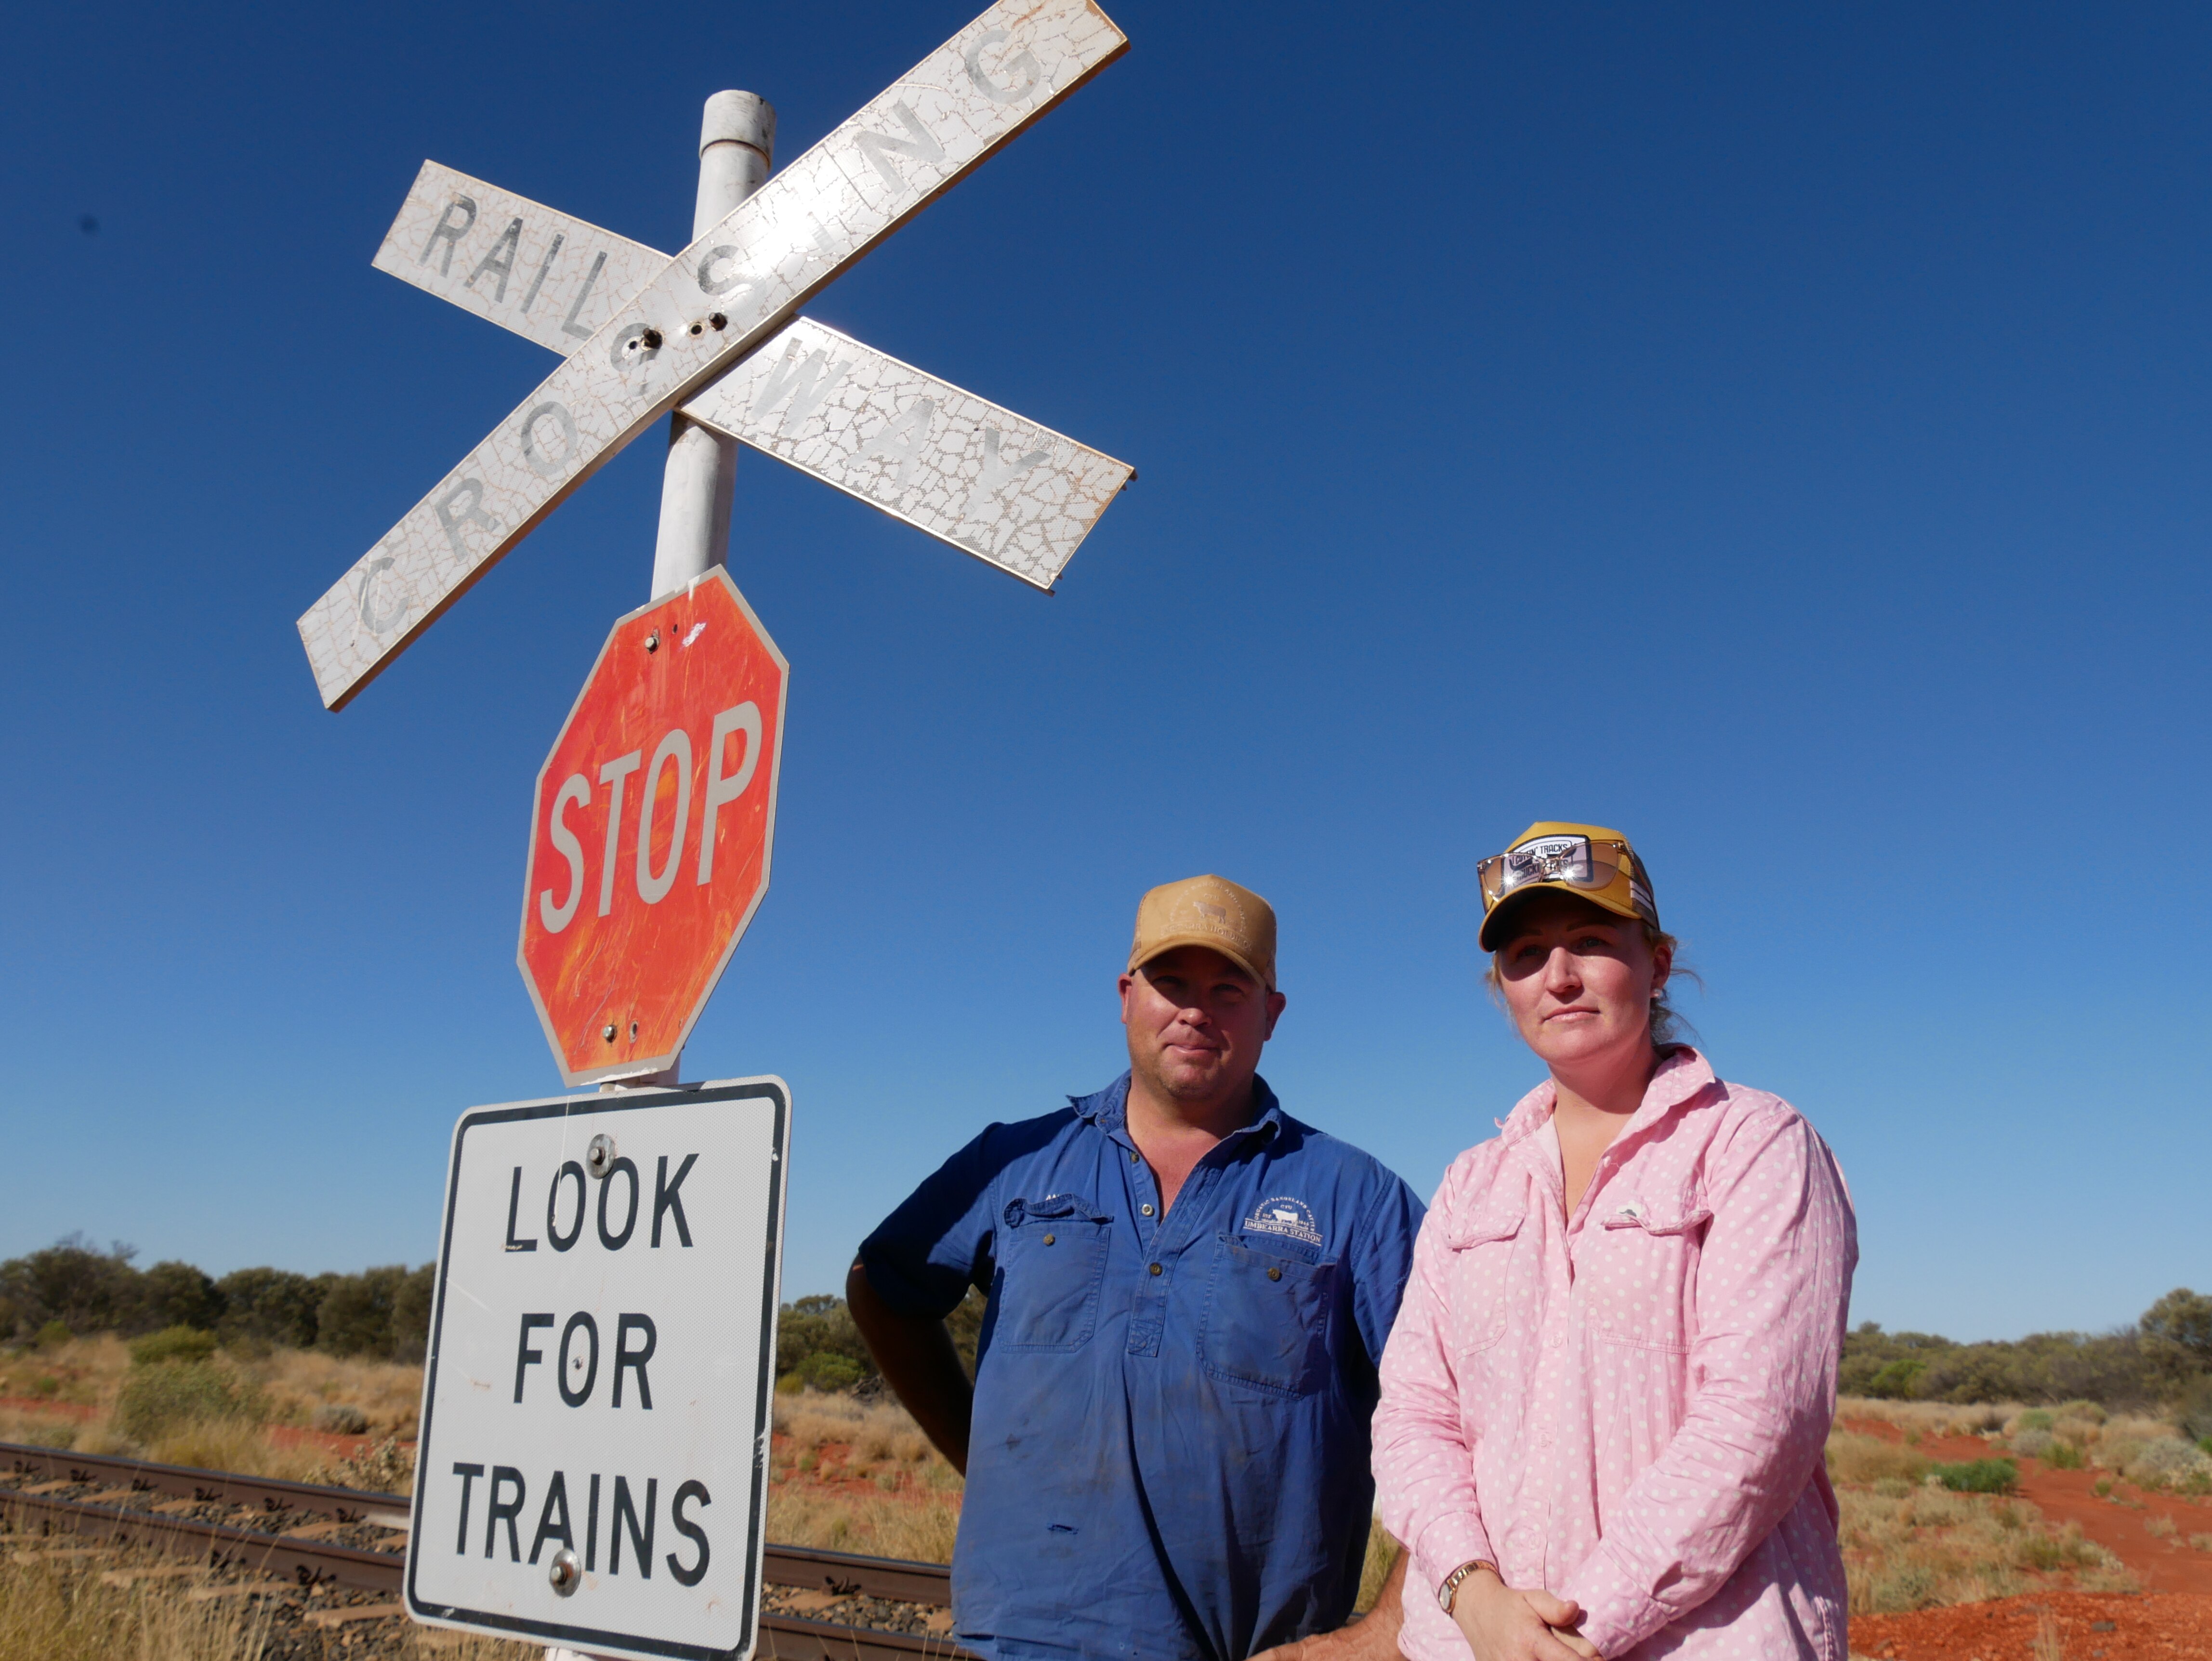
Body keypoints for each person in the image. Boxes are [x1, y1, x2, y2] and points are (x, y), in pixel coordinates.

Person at [849, 874, 1424, 1661]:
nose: (1195, 1010)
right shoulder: (1013, 1161)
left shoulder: (1356, 1197)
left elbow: (1484, 1416)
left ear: (1272, 1014)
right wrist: (969, 1446)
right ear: (1126, 996)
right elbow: (884, 1289)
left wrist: (1387, 1631)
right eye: (1170, 983)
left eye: (1229, 988)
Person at [1373, 823, 1856, 1661]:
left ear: (1658, 962)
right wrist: (1475, 1597)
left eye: (1592, 942)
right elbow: (1415, 1417)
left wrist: (1575, 1630)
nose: (1558, 978)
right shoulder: (1470, 1185)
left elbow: (1760, 1424)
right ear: (1503, 986)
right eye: (1526, 954)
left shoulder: (1755, 1145)